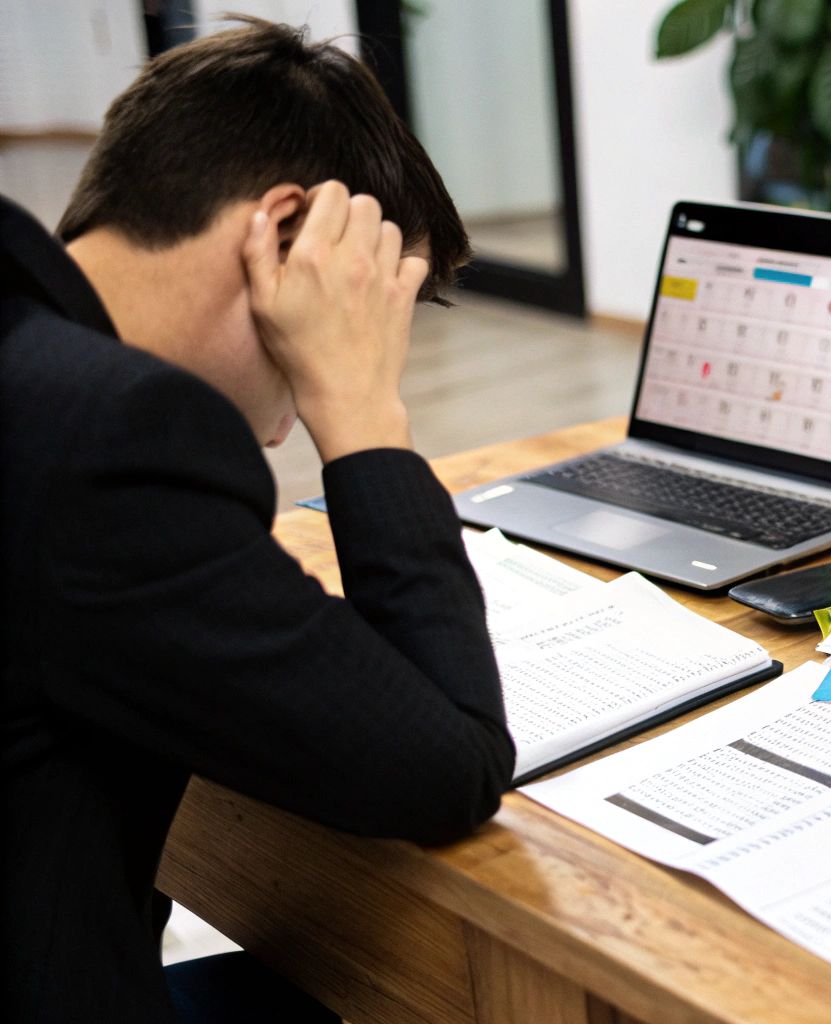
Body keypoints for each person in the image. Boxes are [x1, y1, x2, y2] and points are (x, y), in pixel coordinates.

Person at [0, 19, 516, 1023]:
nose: (283, 425)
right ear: (284, 234)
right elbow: (447, 765)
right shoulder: (110, 437)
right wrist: (363, 412)